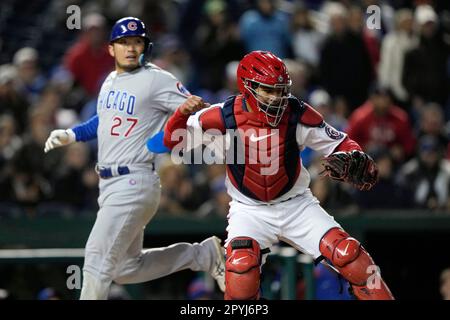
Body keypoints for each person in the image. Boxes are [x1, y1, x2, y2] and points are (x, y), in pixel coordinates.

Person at [162, 50, 394, 300]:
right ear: (247, 86)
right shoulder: (222, 116)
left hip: (297, 205)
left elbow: (341, 143)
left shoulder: (297, 114)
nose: (276, 97)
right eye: (268, 90)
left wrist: (355, 156)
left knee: (351, 257)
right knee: (241, 272)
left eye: (281, 90)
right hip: (249, 209)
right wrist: (180, 114)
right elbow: (174, 142)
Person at [44, 17, 224, 300]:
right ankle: (202, 255)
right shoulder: (110, 80)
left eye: (136, 42)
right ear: (111, 49)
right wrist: (71, 134)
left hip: (134, 180)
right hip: (111, 185)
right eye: (123, 42)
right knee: (126, 268)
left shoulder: (157, 78)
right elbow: (101, 121)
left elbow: (200, 112)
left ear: (146, 47)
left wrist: (199, 115)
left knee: (96, 258)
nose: (130, 48)